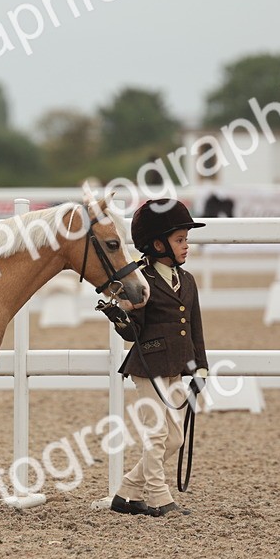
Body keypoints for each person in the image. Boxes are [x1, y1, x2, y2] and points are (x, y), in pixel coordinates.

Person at [98, 199, 208, 517]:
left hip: (176, 366)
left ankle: (127, 492)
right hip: (148, 365)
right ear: (158, 244)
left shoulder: (186, 280)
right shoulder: (141, 281)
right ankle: (160, 499)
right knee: (156, 432)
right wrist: (120, 316)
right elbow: (133, 333)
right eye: (180, 240)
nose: (186, 246)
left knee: (174, 438)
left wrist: (200, 365)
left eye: (186, 239)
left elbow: (195, 326)